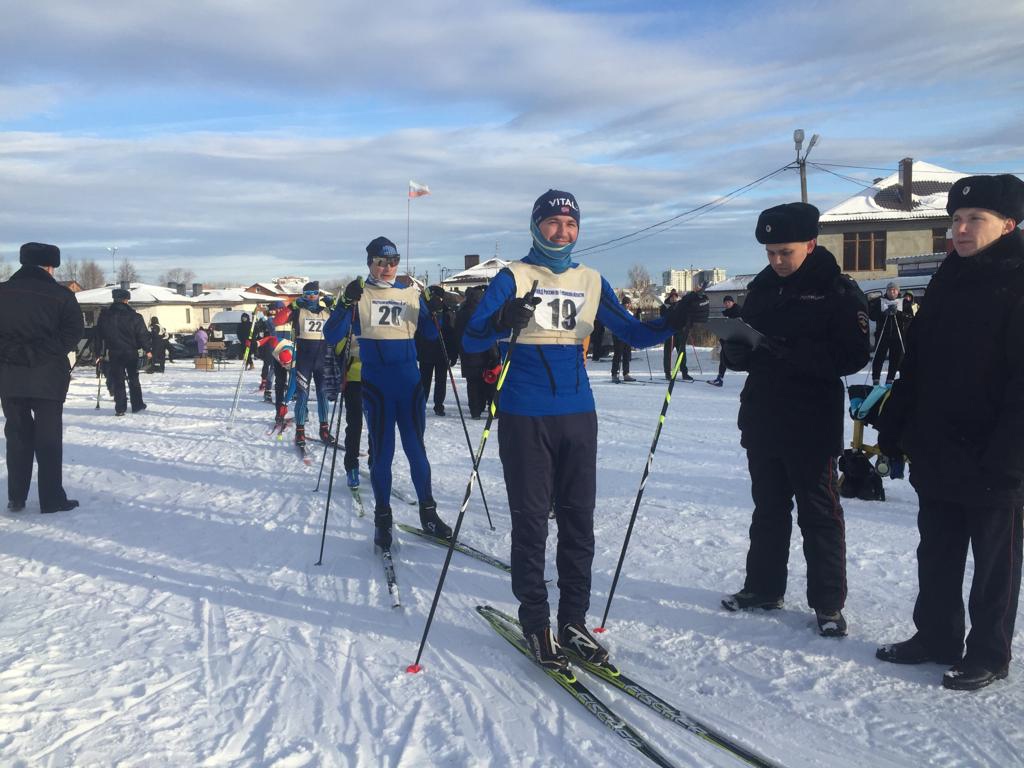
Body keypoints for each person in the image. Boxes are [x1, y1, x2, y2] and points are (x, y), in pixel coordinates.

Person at [462, 189, 708, 670]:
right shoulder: (514, 276)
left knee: (579, 522)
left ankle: (573, 620)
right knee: (531, 523)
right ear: (536, 226)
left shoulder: (592, 280)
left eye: (571, 224)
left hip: (578, 413)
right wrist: (499, 319)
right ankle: (536, 622)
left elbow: (634, 332)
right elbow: (471, 337)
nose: (562, 231)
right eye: (553, 222)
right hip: (524, 412)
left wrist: (674, 320)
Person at [875, 174, 1024, 691]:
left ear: (1008, 224)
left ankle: (989, 652)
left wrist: (1010, 457)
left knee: (993, 566)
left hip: (994, 455)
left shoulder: (1018, 278)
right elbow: (918, 361)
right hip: (938, 446)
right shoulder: (949, 275)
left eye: (974, 220)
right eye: (955, 221)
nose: (959, 230)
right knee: (935, 552)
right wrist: (896, 425)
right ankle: (936, 636)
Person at [719, 202, 869, 637]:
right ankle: (763, 588)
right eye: (770, 253)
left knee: (819, 513)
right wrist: (736, 351)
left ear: (810, 243)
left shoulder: (836, 290)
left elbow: (854, 355)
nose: (777, 261)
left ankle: (827, 605)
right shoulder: (764, 287)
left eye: (785, 252)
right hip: (764, 415)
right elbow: (748, 344)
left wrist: (790, 353)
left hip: (811, 421)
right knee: (768, 509)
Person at [323, 236, 453, 549]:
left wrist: (436, 310)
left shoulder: (410, 291)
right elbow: (331, 334)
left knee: (416, 449)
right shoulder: (359, 292)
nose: (387, 267)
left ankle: (429, 513)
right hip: (377, 385)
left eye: (392, 261)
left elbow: (431, 333)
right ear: (369, 262)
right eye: (380, 262)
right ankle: (383, 519)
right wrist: (344, 304)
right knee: (383, 453)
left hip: (409, 384)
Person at [0, 242, 84, 513]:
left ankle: (16, 497)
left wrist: (14, 352)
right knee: (48, 438)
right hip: (48, 376)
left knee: (17, 435)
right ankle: (50, 499)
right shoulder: (61, 296)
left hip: (9, 375)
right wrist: (39, 353)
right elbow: (72, 334)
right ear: (50, 266)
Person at [290, 281, 335, 447]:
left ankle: (324, 430)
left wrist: (335, 305)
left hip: (322, 361)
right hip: (304, 362)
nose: (310, 297)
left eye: (314, 293)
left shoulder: (327, 312)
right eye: (307, 294)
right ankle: (300, 431)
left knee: (323, 396)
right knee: (302, 396)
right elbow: (277, 320)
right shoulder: (298, 311)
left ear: (319, 295)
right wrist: (291, 306)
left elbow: (343, 322)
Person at [94, 288, 152, 416]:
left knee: (118, 380)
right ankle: (137, 405)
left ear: (114, 299)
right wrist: (148, 349)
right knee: (133, 379)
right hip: (131, 352)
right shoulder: (135, 316)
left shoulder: (105, 316)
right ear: (126, 300)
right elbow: (142, 335)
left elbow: (98, 336)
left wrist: (98, 353)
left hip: (114, 353)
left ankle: (120, 408)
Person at [455, 286, 499, 419]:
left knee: (473, 383)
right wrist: (495, 354)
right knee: (490, 381)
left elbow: (456, 333)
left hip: (467, 352)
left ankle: (475, 410)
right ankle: (493, 409)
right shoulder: (484, 313)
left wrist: (459, 350)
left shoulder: (461, 312)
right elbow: (488, 335)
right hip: (484, 353)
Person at [416, 285, 453, 416]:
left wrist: (452, 353)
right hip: (426, 351)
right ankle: (422, 403)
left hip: (441, 352)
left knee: (441, 381)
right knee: (424, 380)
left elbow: (450, 332)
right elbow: (418, 330)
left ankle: (438, 405)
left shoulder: (446, 311)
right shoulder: (422, 309)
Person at [868, 281, 910, 385]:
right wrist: (883, 313)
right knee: (879, 357)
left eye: (894, 290)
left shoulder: (903, 302)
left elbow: (910, 316)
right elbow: (872, 316)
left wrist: (899, 313)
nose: (892, 292)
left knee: (895, 358)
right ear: (887, 291)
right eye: (890, 290)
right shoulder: (880, 301)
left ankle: (890, 379)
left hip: (897, 335)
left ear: (898, 291)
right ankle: (876, 380)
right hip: (883, 334)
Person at [660, 289, 693, 382]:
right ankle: (667, 373)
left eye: (675, 296)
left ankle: (684, 373)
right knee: (667, 354)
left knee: (682, 353)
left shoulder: (680, 306)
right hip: (669, 333)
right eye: (672, 296)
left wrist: (687, 325)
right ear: (669, 297)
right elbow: (663, 316)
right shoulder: (665, 306)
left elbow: (684, 315)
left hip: (679, 332)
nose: (674, 298)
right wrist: (671, 309)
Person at [709, 295, 741, 386]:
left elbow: (738, 326)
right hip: (728, 339)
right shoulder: (727, 313)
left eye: (729, 302)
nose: (727, 304)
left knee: (741, 360)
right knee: (723, 357)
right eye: (725, 302)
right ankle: (719, 379)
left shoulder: (737, 311)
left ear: (733, 302)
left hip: (738, 340)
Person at [610, 295, 636, 383]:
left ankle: (626, 374)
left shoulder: (630, 313)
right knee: (618, 354)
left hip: (627, 336)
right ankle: (614, 374)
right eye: (626, 303)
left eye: (629, 303)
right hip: (618, 335)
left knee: (627, 355)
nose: (628, 305)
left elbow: (634, 324)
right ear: (623, 304)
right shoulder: (619, 311)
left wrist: (638, 315)